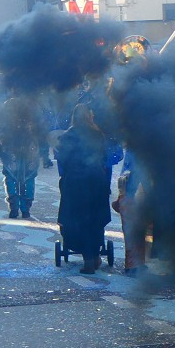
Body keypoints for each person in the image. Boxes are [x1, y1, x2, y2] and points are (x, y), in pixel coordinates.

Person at [56, 104, 112, 274]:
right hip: (96, 180)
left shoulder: (67, 137)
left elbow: (62, 161)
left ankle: (88, 258)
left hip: (75, 182)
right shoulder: (97, 134)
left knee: (78, 218)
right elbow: (104, 158)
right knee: (95, 218)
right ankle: (94, 255)